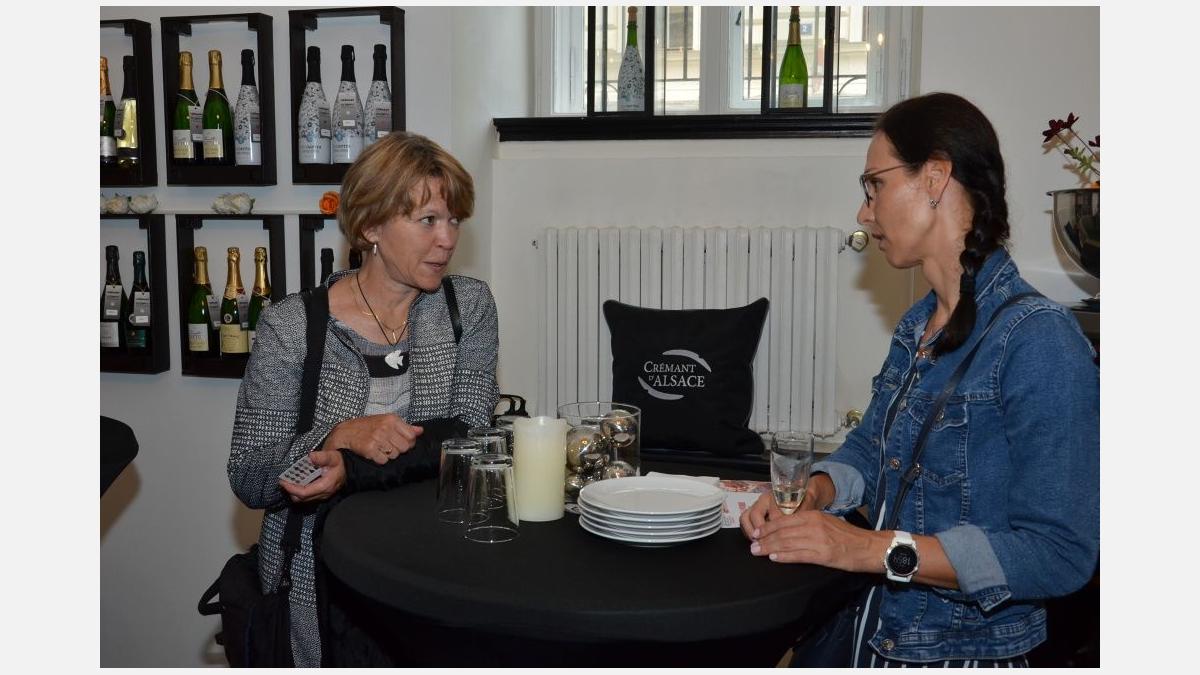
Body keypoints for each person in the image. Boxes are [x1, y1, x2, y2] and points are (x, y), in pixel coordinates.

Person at [740, 92, 1098, 667]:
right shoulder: (918, 324)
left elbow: (1057, 554)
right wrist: (818, 491)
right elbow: (871, 447)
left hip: (959, 654)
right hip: (875, 630)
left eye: (874, 186)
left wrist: (868, 550)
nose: (864, 212)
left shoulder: (1039, 340)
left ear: (934, 177)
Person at [227, 132, 499, 666]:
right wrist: (335, 436)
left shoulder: (468, 307)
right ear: (371, 226)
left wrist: (350, 468)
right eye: (428, 220)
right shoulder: (293, 327)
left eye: (454, 220)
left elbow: (470, 434)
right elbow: (251, 475)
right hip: (321, 583)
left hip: (438, 566)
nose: (447, 239)